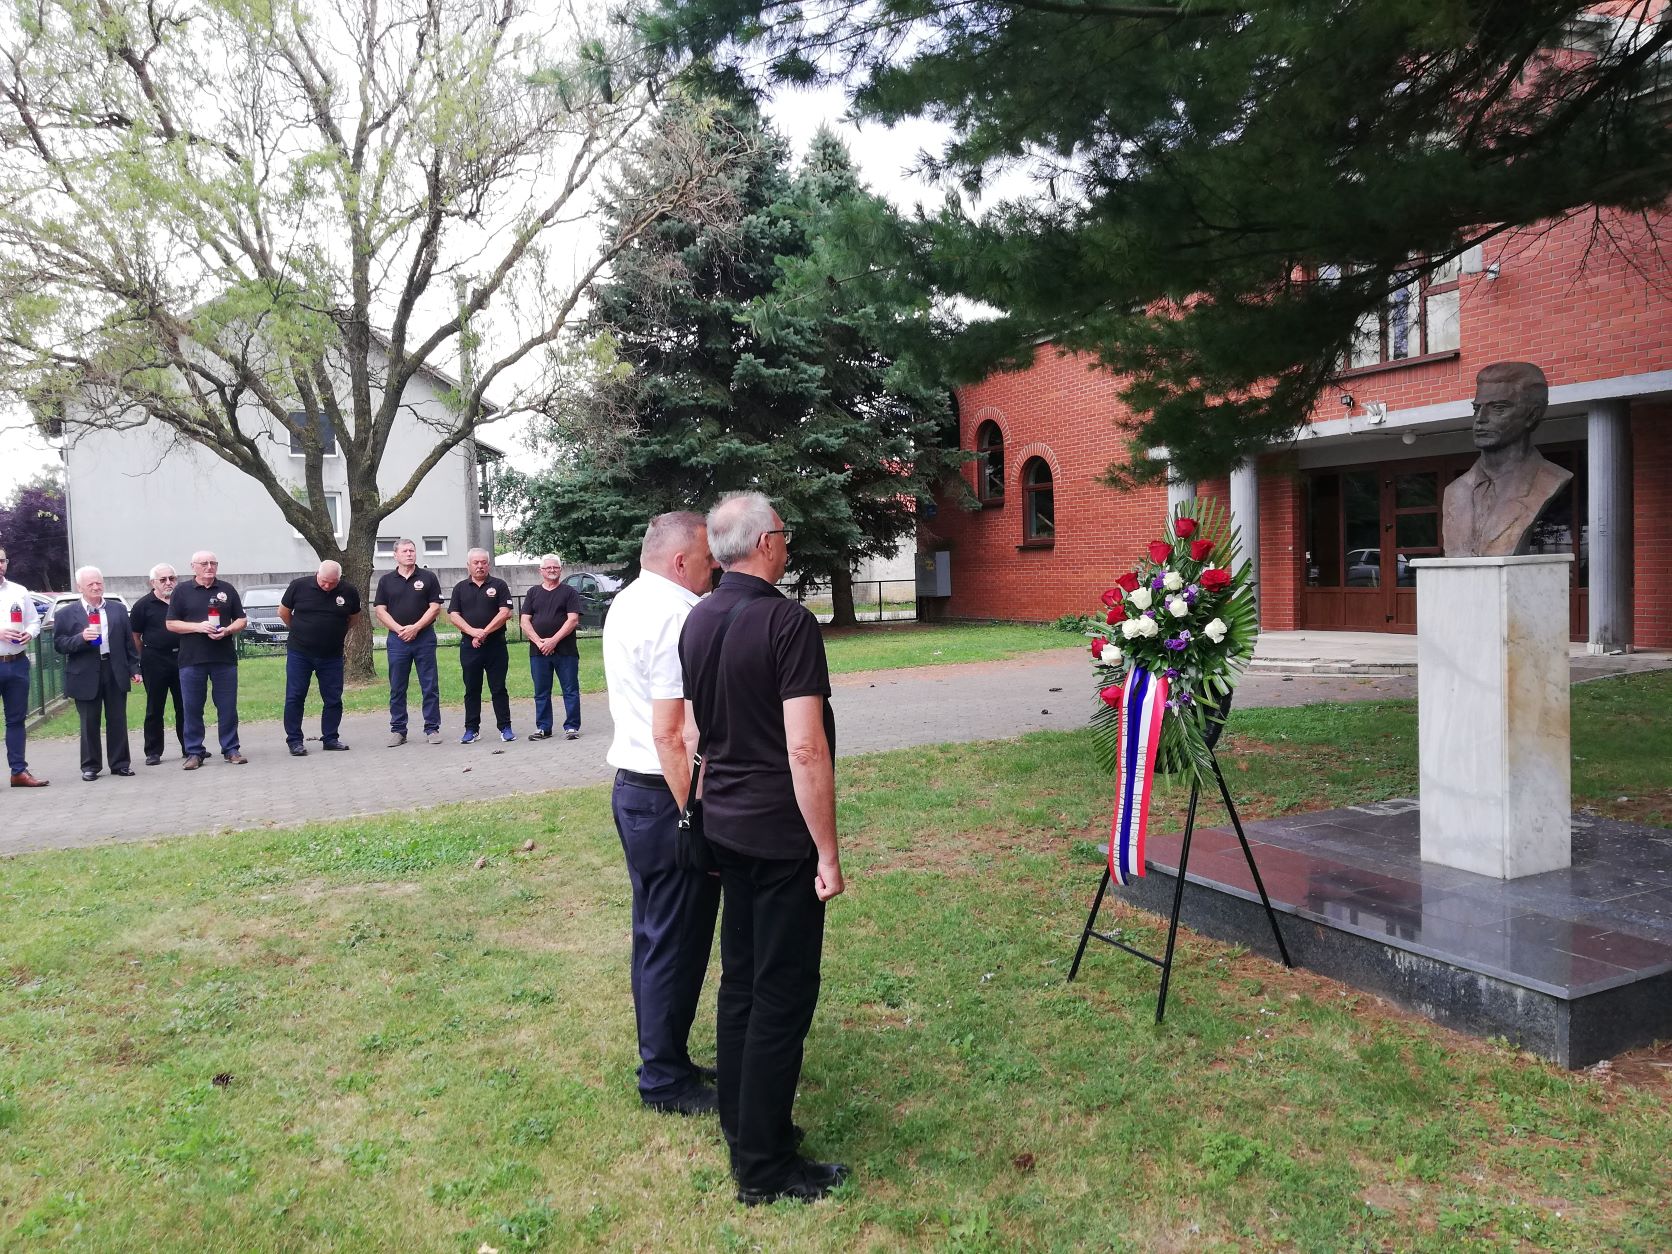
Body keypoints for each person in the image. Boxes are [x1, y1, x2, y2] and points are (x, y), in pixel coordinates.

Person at [678, 492, 847, 1206]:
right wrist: (829, 854)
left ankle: (746, 1128)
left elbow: (691, 737)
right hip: (778, 834)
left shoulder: (699, 619)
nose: (789, 541)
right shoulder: (788, 623)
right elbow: (805, 746)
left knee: (741, 980)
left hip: (724, 824)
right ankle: (765, 1168)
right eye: (784, 531)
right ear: (760, 544)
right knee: (780, 992)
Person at [602, 513, 721, 1116]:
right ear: (680, 562)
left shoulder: (626, 601)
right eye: (706, 557)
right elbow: (672, 732)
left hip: (634, 788)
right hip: (663, 790)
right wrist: (693, 814)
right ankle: (664, 1079)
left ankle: (666, 1056)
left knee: (655, 933)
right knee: (676, 937)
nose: (715, 565)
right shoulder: (677, 615)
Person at [1442, 362, 1573, 557]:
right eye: (1477, 408)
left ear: (1532, 415)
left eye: (1498, 408)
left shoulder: (1549, 479)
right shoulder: (1455, 490)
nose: (1480, 419)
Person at [54, 565, 141, 781]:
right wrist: (81, 638)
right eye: (91, 584)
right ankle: (90, 766)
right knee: (89, 721)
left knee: (117, 719)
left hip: (114, 669)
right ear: (80, 587)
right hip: (84, 673)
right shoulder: (66, 613)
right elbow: (60, 644)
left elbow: (128, 643)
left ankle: (120, 763)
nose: (96, 587)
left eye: (99, 583)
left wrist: (134, 668)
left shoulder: (117, 610)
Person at [167, 550, 248, 769]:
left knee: (227, 707)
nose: (209, 567)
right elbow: (171, 623)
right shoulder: (182, 591)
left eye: (213, 563)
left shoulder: (227, 590)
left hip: (223, 659)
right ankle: (194, 751)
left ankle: (231, 749)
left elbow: (241, 619)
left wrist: (228, 630)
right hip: (192, 660)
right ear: (193, 566)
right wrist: (198, 627)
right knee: (192, 707)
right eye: (204, 563)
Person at [279, 560, 362, 755]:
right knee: (295, 696)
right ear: (317, 573)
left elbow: (354, 618)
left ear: (339, 579)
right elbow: (283, 612)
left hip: (332, 655)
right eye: (324, 581)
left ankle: (331, 738)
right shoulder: (298, 586)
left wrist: (337, 632)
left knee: (333, 698)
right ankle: (294, 741)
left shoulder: (349, 591)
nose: (327, 586)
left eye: (332, 583)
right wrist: (300, 630)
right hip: (300, 653)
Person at [374, 538, 444, 747]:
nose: (409, 554)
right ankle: (398, 730)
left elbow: (435, 607)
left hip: (424, 638)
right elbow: (380, 610)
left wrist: (415, 628)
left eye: (412, 550)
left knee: (429, 685)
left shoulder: (428, 577)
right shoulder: (386, 580)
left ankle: (432, 728)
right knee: (397, 686)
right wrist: (399, 629)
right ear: (395, 555)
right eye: (405, 551)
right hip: (397, 641)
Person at [448, 548, 514, 743]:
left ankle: (505, 728)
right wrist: (473, 632)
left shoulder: (499, 585)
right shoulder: (460, 588)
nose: (480, 566)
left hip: (495, 646)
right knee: (472, 689)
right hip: (470, 647)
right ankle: (471, 730)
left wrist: (484, 632)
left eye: (483, 562)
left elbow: (505, 613)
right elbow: (453, 615)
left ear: (489, 565)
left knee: (499, 688)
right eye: (475, 562)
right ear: (468, 565)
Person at [520, 554, 583, 741]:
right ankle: (543, 728)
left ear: (560, 570)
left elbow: (573, 620)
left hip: (566, 651)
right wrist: (540, 643)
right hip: (538, 652)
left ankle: (571, 727)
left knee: (570, 689)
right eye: (548, 568)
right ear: (541, 571)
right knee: (541, 691)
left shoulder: (569, 592)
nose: (552, 570)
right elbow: (524, 621)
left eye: (555, 567)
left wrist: (553, 641)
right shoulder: (533, 593)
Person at [0, 547, 49, 788]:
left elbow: (34, 621)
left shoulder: (19, 591)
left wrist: (29, 633)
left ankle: (18, 771)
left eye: (2, 560)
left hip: (16, 663)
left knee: (16, 720)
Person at [129, 563, 186, 765]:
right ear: (153, 582)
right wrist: (141, 661)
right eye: (163, 580)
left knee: (185, 706)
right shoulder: (143, 605)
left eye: (172, 578)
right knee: (155, 708)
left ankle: (190, 748)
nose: (168, 583)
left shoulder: (182, 600)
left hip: (182, 659)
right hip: (155, 660)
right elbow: (135, 636)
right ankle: (153, 752)